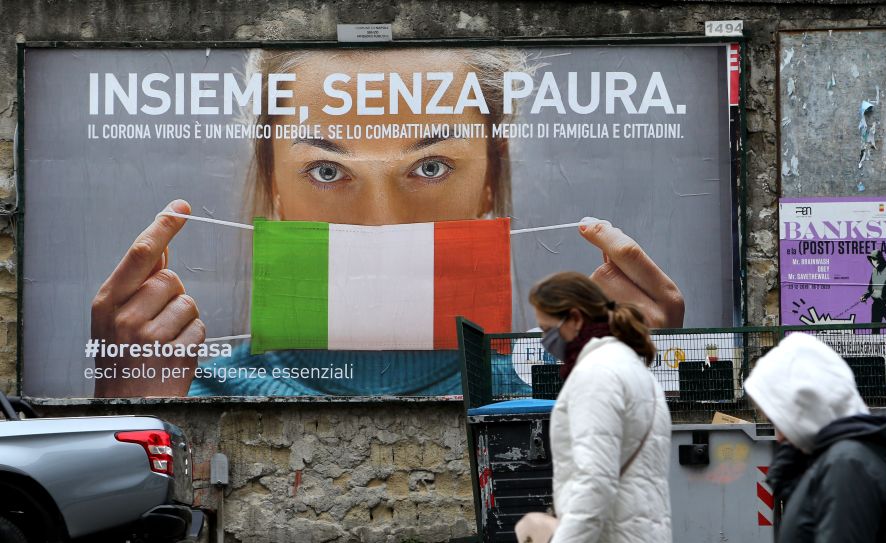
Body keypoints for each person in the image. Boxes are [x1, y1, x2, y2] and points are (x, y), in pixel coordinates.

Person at [91, 48, 685, 397]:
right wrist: (130, 408)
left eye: (430, 166)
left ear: (487, 182)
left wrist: (625, 385)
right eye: (327, 170)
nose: (380, 225)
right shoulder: (182, 388)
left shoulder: (543, 395)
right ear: (273, 187)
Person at [529, 271, 672, 543]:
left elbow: (594, 482)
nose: (546, 341)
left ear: (575, 319)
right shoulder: (634, 370)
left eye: (547, 330)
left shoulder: (595, 374)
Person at [744, 332, 886, 543]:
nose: (778, 437)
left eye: (776, 421)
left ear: (803, 409)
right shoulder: (838, 459)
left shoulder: (847, 465)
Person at [859, 249, 886, 345]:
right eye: (871, 260)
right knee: (875, 326)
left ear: (880, 259)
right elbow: (870, 288)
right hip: (876, 304)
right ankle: (875, 344)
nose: (873, 262)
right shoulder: (874, 271)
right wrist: (865, 296)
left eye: (874, 259)